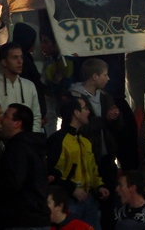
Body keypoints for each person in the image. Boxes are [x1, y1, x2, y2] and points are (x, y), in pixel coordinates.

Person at [0, 103, 51, 229]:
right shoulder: (32, 146)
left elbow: (10, 182)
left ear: (17, 123)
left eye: (5, 115)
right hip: (35, 219)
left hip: (21, 220)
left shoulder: (18, 147)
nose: (1, 119)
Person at [47, 97, 110, 230]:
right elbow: (50, 173)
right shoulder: (58, 140)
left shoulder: (85, 141)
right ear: (76, 113)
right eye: (85, 108)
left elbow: (92, 169)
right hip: (68, 201)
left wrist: (99, 186)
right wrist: (71, 189)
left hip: (88, 198)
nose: (88, 111)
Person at [69, 58, 122, 185]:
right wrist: (105, 119)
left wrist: (116, 116)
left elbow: (118, 126)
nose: (108, 78)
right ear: (94, 76)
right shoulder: (75, 97)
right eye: (105, 75)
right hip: (85, 155)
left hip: (106, 155)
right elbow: (80, 125)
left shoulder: (105, 96)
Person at [0, 41, 42, 132]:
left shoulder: (29, 86)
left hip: (27, 138)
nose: (20, 62)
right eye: (15, 57)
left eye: (21, 57)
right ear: (4, 62)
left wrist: (31, 137)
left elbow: (36, 117)